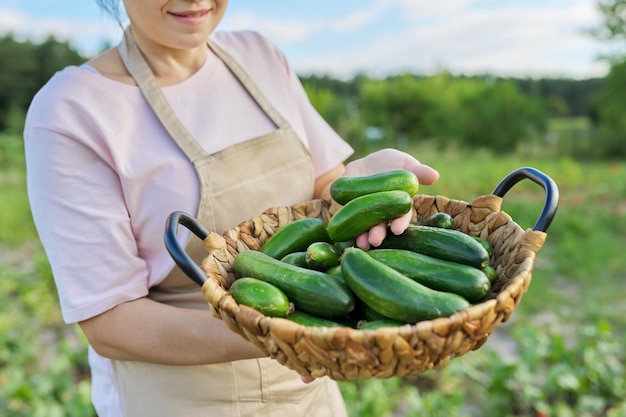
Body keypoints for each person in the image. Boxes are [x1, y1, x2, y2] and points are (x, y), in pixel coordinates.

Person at [23, 1, 439, 416]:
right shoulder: (70, 110)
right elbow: (110, 323)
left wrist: (361, 186)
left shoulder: (260, 56)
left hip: (308, 383)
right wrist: (279, 336)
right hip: (178, 397)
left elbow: (322, 191)